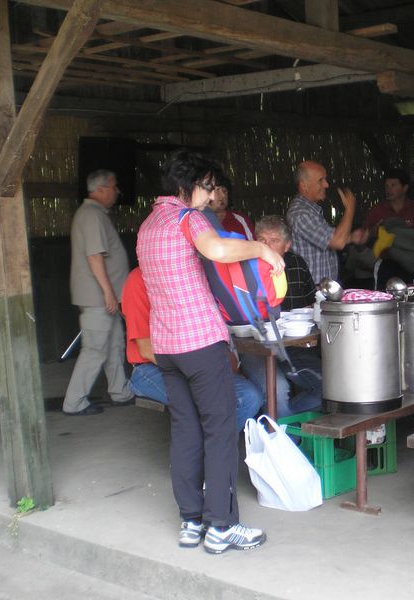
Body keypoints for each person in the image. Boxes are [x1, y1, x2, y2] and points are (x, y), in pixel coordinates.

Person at [137, 149, 284, 554]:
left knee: (185, 431)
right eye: (205, 186)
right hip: (201, 343)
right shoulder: (188, 217)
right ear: (186, 187)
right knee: (220, 431)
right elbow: (218, 251)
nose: (210, 194)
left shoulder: (148, 225)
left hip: (167, 347)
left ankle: (191, 521)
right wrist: (261, 249)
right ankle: (221, 526)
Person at [121, 266, 263, 431]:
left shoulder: (195, 274)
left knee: (250, 396)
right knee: (210, 400)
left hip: (195, 363)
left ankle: (215, 449)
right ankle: (210, 451)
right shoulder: (139, 279)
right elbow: (146, 349)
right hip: (150, 367)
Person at [62, 170, 134, 416]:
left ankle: (120, 391)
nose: (117, 192)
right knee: (95, 349)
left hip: (104, 298)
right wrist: (108, 293)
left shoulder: (94, 214)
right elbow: (94, 257)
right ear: (101, 189)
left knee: (114, 344)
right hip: (98, 298)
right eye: (113, 187)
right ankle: (74, 402)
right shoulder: (91, 215)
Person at [239, 215, 323, 418]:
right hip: (256, 348)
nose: (266, 247)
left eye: (274, 241)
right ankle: (285, 440)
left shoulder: (296, 264)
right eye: (262, 240)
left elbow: (310, 305)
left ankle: (278, 424)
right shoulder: (243, 268)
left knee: (327, 386)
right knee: (277, 389)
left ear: (287, 245)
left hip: (294, 346)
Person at [286, 160, 366, 283]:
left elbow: (324, 238)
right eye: (320, 180)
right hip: (313, 293)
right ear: (304, 185)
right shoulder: (300, 214)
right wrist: (350, 209)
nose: (326, 185)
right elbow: (337, 242)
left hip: (321, 290)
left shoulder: (311, 210)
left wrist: (350, 238)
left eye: (325, 179)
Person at [363, 168, 414, 286]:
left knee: (413, 297)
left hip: (411, 263)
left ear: (405, 188)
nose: (389, 190)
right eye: (387, 186)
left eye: (393, 185)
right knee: (384, 300)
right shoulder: (377, 211)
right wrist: (373, 232)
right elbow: (362, 239)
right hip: (386, 264)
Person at [208, 172, 255, 239]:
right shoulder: (197, 221)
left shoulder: (240, 220)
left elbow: (253, 246)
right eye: (217, 190)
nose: (223, 195)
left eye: (224, 191)